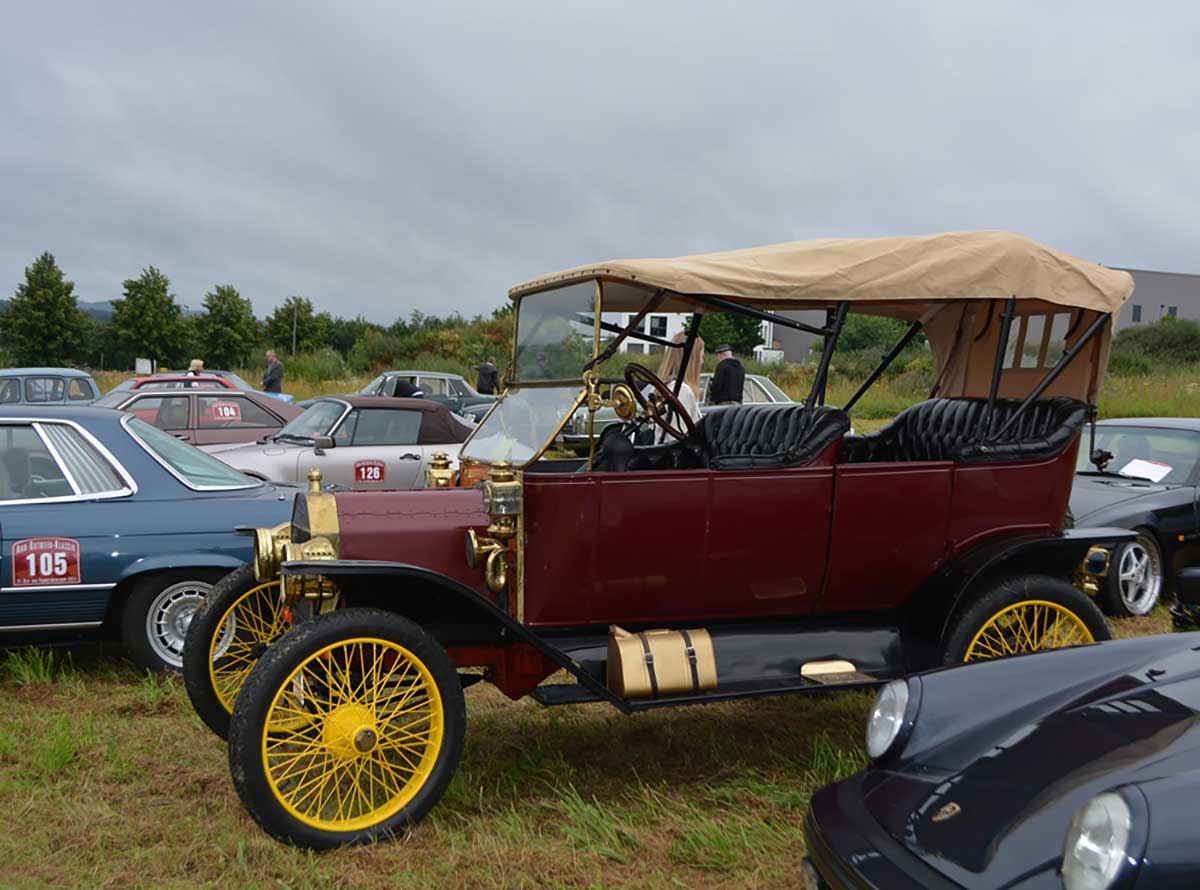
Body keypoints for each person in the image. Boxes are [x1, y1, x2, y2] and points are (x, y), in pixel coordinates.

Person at [650, 332, 705, 441]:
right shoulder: (681, 391)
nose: (702, 362)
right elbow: (676, 438)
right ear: (693, 360)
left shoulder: (662, 388)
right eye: (701, 356)